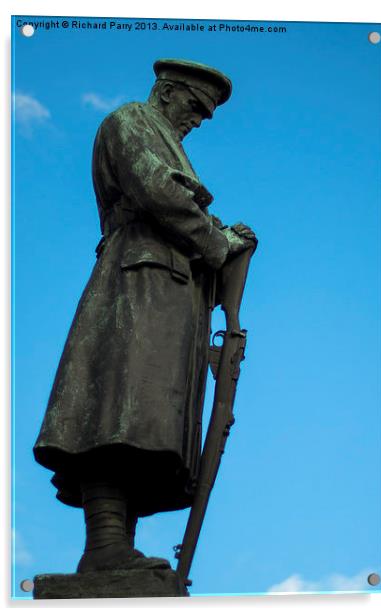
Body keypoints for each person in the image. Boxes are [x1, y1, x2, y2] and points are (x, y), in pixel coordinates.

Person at [33, 59, 256, 573]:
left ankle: (114, 550)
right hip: (136, 284)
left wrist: (226, 242)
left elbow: (182, 207)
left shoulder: (164, 137)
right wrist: (217, 242)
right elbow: (159, 192)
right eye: (195, 107)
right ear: (167, 91)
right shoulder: (131, 121)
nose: (197, 120)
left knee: (146, 423)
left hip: (168, 296)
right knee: (114, 413)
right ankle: (105, 544)